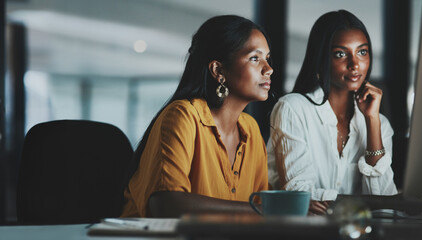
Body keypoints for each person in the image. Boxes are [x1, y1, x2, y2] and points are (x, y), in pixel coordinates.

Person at [121, 15, 273, 218]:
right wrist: (259, 210)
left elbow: (262, 204)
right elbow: (167, 204)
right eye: (255, 58)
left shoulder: (251, 129)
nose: (268, 69)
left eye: (267, 58)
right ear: (218, 70)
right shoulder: (182, 116)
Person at [267, 10, 397, 214]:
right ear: (321, 58)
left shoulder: (381, 124)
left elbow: (387, 204)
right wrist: (364, 204)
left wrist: (372, 122)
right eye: (341, 54)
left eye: (362, 52)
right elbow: (299, 195)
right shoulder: (293, 109)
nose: (355, 64)